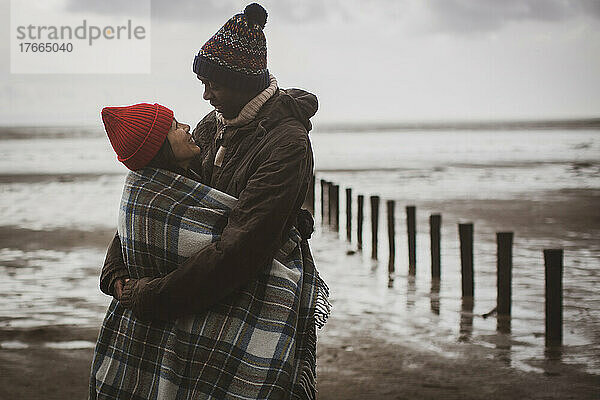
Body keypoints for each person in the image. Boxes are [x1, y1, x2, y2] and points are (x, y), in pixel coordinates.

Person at [95, 3, 328, 398]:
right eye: (202, 82)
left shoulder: (287, 144)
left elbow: (242, 248)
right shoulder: (212, 125)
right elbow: (161, 200)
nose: (204, 95)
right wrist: (116, 272)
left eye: (213, 85)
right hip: (201, 293)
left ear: (243, 83)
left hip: (249, 293)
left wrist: (149, 296)